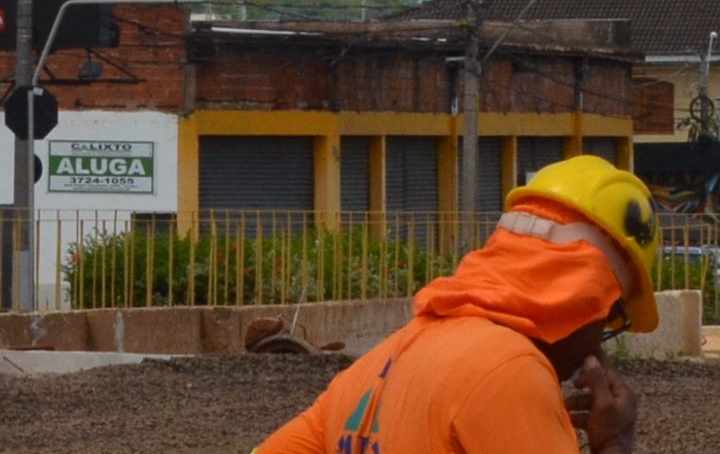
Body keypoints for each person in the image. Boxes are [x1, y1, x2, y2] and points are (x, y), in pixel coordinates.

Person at [253, 155, 654, 454]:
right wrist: (615, 445)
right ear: (585, 295)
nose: (600, 344)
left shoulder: (374, 367)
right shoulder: (509, 371)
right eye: (611, 315)